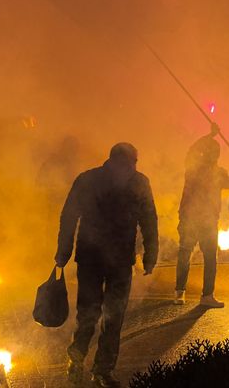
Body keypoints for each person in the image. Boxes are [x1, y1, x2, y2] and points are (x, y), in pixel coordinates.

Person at [55, 142, 159, 388]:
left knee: (104, 315)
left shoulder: (94, 179)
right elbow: (69, 216)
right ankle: (89, 364)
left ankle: (92, 366)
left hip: (108, 259)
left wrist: (151, 253)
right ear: (119, 161)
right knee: (97, 314)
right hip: (98, 259)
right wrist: (63, 251)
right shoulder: (127, 181)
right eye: (131, 162)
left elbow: (148, 219)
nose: (132, 167)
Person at [174, 123, 229, 307]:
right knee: (204, 256)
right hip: (196, 218)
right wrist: (210, 136)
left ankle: (182, 293)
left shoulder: (196, 169)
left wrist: (210, 136)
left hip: (199, 218)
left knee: (190, 254)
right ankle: (204, 295)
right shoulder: (198, 169)